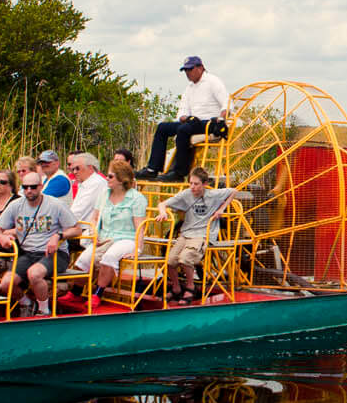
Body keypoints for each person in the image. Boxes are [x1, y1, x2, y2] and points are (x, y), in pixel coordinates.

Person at [0, 171, 80, 314]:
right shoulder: (16, 205)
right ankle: (27, 303)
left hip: (54, 253)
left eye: (33, 187)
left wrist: (59, 235)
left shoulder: (55, 204)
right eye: (25, 187)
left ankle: (44, 310)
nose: (29, 191)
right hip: (28, 253)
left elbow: (77, 229)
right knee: (6, 284)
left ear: (41, 186)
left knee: (34, 274)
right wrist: (2, 238)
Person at [138, 56, 228, 182]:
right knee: (162, 127)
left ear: (200, 68)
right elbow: (181, 112)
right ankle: (152, 169)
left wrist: (221, 119)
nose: (187, 73)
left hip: (210, 123)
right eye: (185, 70)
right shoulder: (189, 88)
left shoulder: (213, 81)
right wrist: (186, 117)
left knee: (184, 130)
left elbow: (226, 104)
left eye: (190, 69)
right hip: (193, 122)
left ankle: (179, 173)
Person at [158, 167, 241, 303]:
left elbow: (234, 191)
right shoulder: (186, 194)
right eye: (190, 183)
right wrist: (163, 212)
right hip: (186, 233)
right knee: (170, 261)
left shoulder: (212, 195)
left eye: (196, 184)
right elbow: (163, 204)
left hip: (202, 234)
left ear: (204, 184)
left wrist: (221, 209)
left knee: (185, 259)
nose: (192, 187)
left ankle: (191, 287)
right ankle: (176, 288)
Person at [87, 160, 148, 297]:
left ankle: (98, 294)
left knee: (110, 257)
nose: (107, 179)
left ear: (121, 179)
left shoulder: (136, 198)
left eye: (110, 176)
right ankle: (76, 292)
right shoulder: (104, 194)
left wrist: (138, 248)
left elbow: (139, 226)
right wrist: (94, 231)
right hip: (105, 236)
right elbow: (94, 218)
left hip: (126, 238)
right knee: (84, 260)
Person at [65, 151, 109, 225]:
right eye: (73, 169)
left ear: (90, 168)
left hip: (88, 230)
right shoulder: (85, 183)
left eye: (77, 168)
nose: (74, 172)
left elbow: (77, 212)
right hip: (79, 227)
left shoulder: (95, 183)